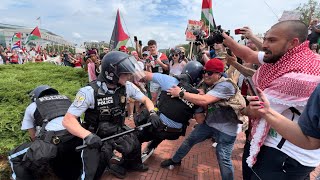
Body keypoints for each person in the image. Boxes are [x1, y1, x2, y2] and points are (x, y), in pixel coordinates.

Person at [222, 20, 320, 179]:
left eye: (272, 40)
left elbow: (257, 111)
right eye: (265, 38)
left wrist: (239, 108)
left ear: (293, 43)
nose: (264, 44)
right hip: (276, 144)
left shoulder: (298, 77)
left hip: (285, 154)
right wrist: (226, 39)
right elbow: (248, 54)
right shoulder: (286, 56)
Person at [62, 51, 159, 179]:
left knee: (134, 142)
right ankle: (104, 165)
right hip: (97, 135)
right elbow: (68, 120)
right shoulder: (89, 92)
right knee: (95, 169)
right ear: (111, 74)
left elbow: (146, 100)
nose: (129, 76)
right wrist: (88, 136)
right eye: (125, 73)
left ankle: (132, 164)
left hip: (117, 129)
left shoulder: (126, 86)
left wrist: (152, 112)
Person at [162, 59, 247, 180]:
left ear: (219, 74)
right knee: (189, 140)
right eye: (205, 72)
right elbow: (203, 100)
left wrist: (180, 93)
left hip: (227, 129)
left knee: (223, 158)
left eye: (210, 72)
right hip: (210, 123)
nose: (206, 75)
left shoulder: (226, 85)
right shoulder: (209, 84)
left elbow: (205, 100)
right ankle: (175, 160)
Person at [8, 85, 82, 180]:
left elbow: (33, 136)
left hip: (53, 143)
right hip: (76, 142)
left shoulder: (33, 106)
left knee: (14, 156)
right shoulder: (68, 101)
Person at [137, 61, 205, 162]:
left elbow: (145, 75)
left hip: (156, 127)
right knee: (164, 124)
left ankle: (130, 160)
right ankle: (153, 144)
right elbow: (200, 121)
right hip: (174, 133)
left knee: (145, 118)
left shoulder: (170, 80)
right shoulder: (198, 97)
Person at [247, 85, 320, 150]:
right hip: (279, 144)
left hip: (284, 148)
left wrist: (267, 111)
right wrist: (267, 111)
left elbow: (311, 141)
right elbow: (311, 140)